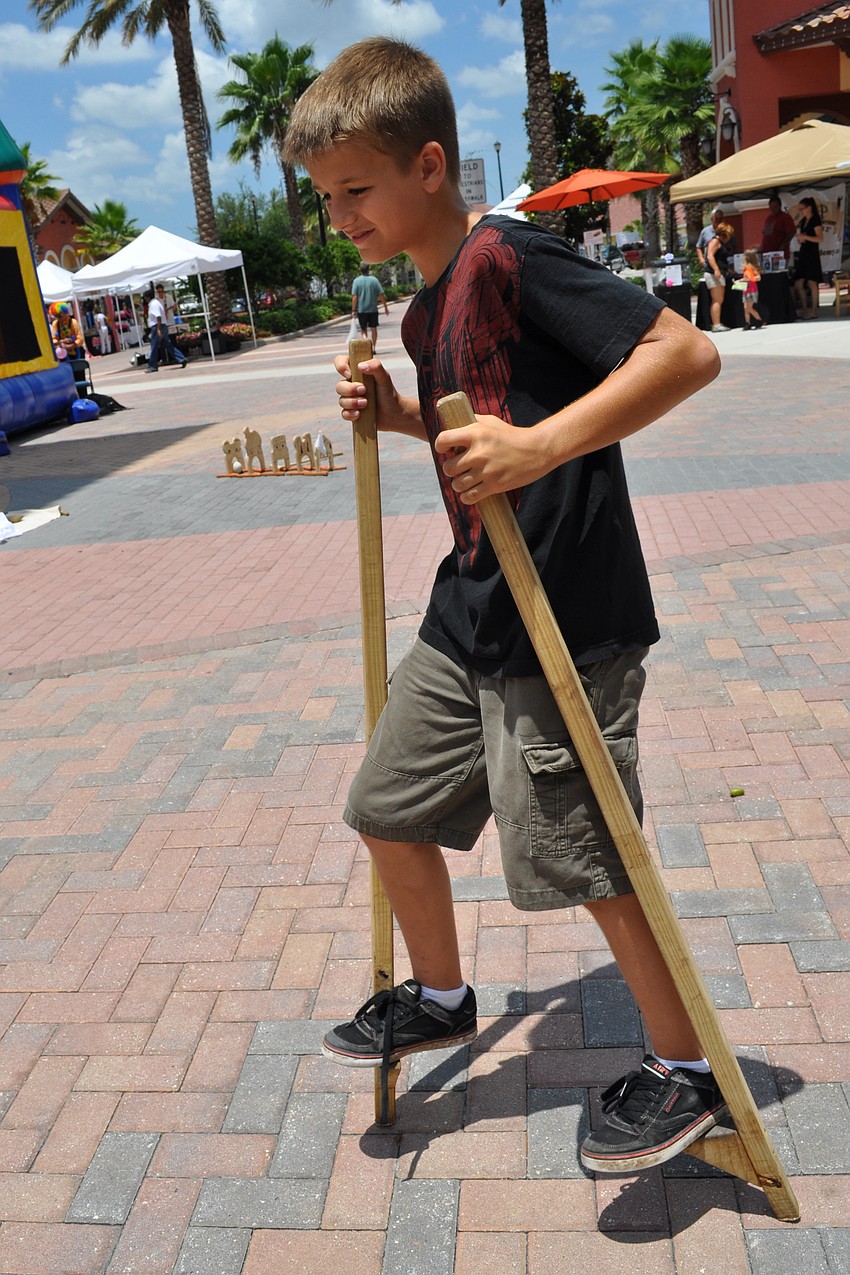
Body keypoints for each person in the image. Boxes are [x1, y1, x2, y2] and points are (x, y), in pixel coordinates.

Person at [284, 36, 723, 1175]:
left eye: (355, 190)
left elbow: (683, 353)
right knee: (386, 806)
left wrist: (538, 447)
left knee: (583, 854)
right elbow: (474, 428)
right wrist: (396, 416)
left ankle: (686, 1074)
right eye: (324, 199)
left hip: (564, 610)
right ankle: (438, 995)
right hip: (470, 602)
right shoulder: (430, 308)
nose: (339, 217)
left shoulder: (509, 253)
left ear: (429, 164)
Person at [145, 284, 188, 373]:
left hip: (157, 326)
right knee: (167, 344)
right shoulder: (157, 303)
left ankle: (153, 366)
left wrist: (158, 329)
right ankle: (181, 358)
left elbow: (158, 317)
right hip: (163, 325)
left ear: (148, 297)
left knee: (154, 346)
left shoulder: (153, 304)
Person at [794, 196, 824, 320]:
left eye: (803, 209)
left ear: (809, 208)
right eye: (800, 209)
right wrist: (801, 238)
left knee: (812, 282)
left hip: (812, 254)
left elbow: (820, 238)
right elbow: (803, 236)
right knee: (798, 282)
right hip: (803, 252)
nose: (801, 211)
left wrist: (806, 237)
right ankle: (805, 309)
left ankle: (813, 311)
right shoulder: (803, 221)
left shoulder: (815, 220)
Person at [703, 222, 734, 332]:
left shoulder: (720, 242)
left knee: (719, 299)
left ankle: (717, 323)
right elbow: (710, 256)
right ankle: (716, 324)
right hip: (713, 273)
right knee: (717, 299)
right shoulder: (715, 241)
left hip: (719, 272)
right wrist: (716, 269)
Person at [351, 264, 389, 351]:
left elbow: (355, 297)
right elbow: (381, 294)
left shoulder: (356, 281)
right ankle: (374, 347)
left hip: (361, 310)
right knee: (373, 328)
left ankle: (367, 345)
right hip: (373, 309)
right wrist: (385, 307)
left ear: (360, 269)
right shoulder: (374, 280)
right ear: (369, 269)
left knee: (363, 329)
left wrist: (353, 309)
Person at [759, 195, 796, 259]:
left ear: (780, 206)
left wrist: (783, 245)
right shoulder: (769, 218)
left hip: (779, 254)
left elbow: (792, 232)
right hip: (767, 253)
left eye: (775, 207)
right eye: (771, 207)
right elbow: (766, 234)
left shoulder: (785, 217)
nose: (773, 209)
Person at [741, 248, 766, 331]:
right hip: (746, 289)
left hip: (751, 289)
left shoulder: (752, 268)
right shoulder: (746, 268)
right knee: (746, 307)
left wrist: (751, 278)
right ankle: (747, 323)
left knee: (749, 307)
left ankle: (759, 320)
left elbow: (758, 277)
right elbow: (745, 278)